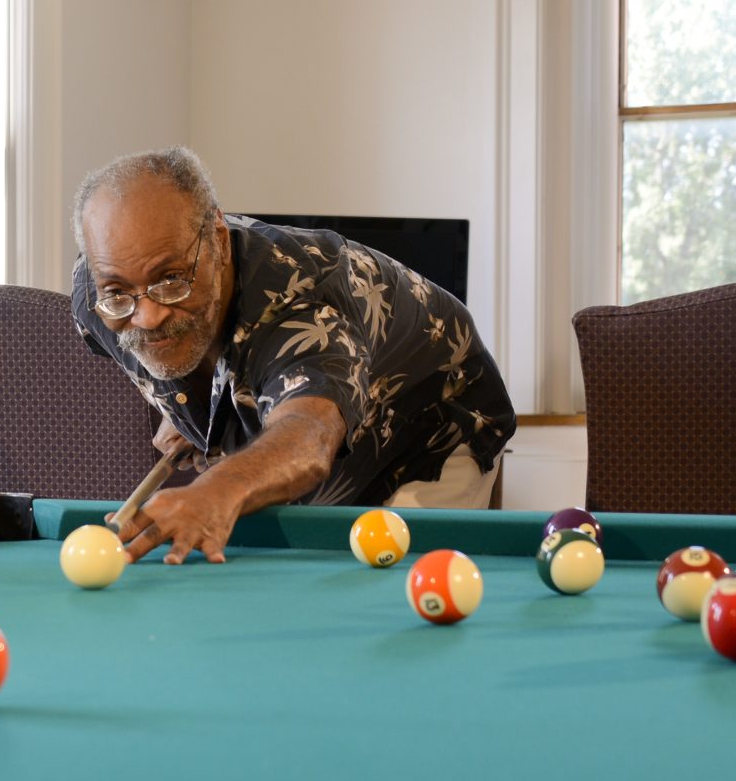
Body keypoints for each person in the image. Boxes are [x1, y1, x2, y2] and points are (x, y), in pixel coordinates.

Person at [72, 147, 515, 565]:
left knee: (385, 591)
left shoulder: (303, 305)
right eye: (119, 292)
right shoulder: (96, 297)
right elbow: (156, 339)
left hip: (428, 423)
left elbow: (309, 433)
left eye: (171, 279)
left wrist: (215, 490)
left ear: (220, 244)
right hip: (319, 426)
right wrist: (192, 400)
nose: (146, 317)